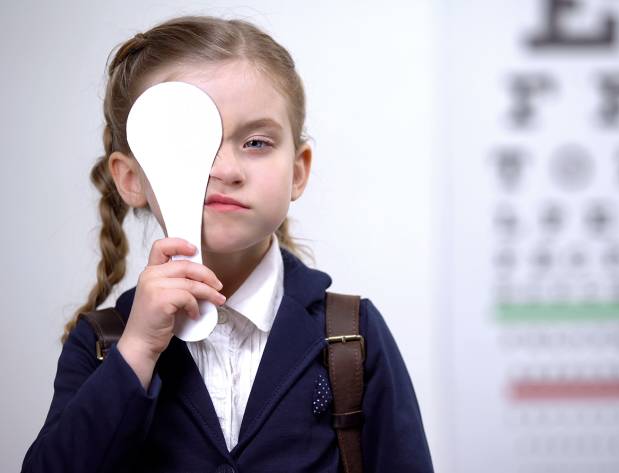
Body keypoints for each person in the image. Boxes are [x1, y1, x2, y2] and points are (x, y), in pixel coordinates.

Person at [21, 15, 434, 473]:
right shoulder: (104, 344)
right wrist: (137, 352)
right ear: (132, 179)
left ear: (298, 170)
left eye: (256, 142)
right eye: (188, 145)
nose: (227, 169)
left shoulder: (352, 336)